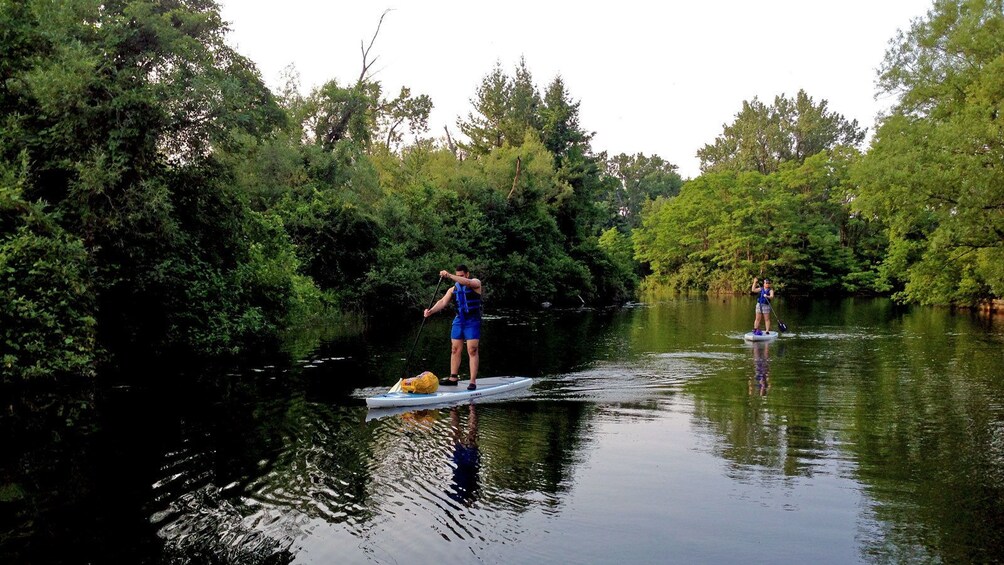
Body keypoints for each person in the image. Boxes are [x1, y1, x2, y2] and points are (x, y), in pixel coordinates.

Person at [424, 264, 482, 390]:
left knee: (472, 350)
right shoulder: (452, 290)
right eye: (458, 275)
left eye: (461, 275)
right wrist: (430, 311)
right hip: (459, 321)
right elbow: (443, 302)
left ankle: (472, 381)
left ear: (467, 274)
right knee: (455, 349)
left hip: (472, 321)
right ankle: (453, 378)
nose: (459, 278)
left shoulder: (475, 283)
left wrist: (450, 275)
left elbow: (468, 283)